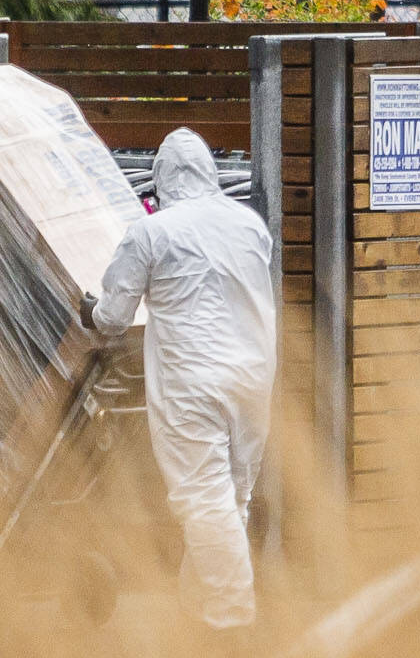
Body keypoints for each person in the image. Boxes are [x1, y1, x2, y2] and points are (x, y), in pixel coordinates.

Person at [82, 128, 276, 629]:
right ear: (210, 172)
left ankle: (233, 625)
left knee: (204, 501)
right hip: (253, 378)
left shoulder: (152, 232)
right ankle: (201, 618)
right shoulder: (251, 226)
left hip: (193, 382)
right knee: (233, 497)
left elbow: (113, 318)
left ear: (162, 178)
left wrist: (92, 311)